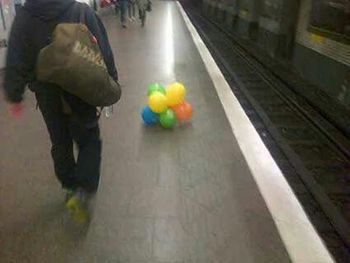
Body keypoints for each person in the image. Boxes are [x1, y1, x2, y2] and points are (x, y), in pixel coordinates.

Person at [3, 0, 118, 223]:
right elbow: (102, 48)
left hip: (47, 94)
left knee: (60, 141)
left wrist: (15, 94)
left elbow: (16, 58)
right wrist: (112, 79)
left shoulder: (25, 17)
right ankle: (83, 189)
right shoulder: (80, 10)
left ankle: (69, 186)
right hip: (81, 90)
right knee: (89, 139)